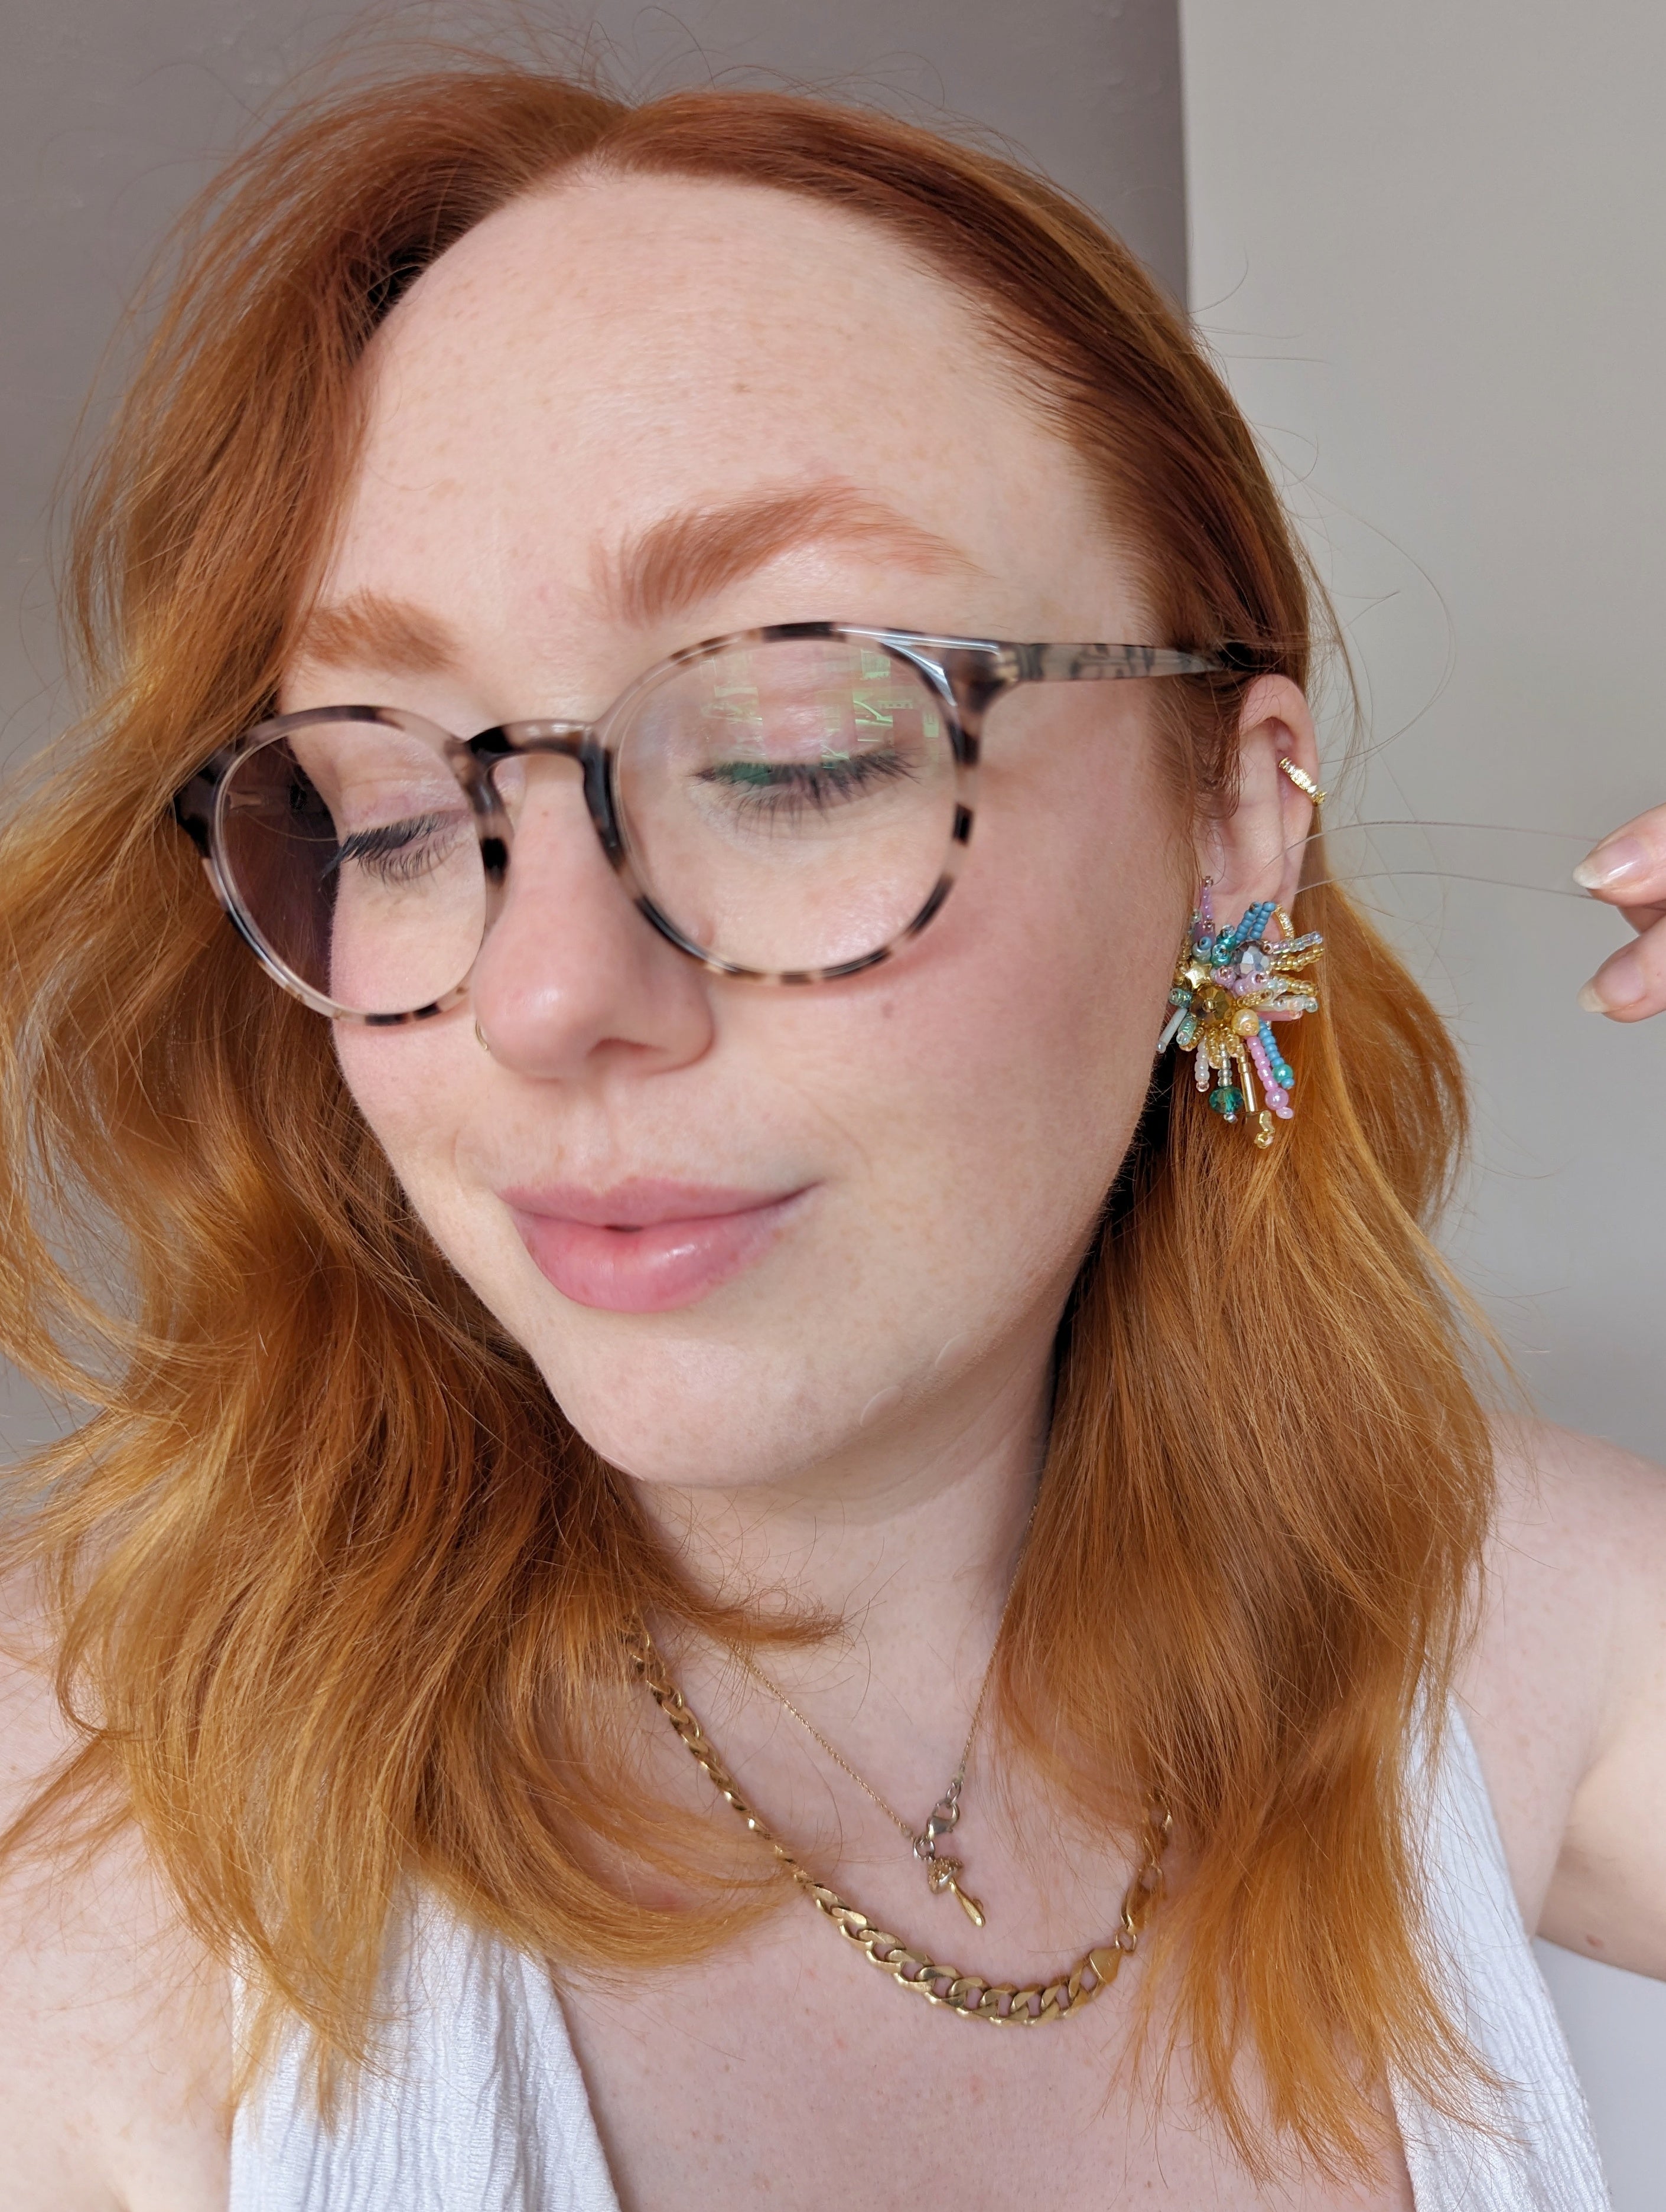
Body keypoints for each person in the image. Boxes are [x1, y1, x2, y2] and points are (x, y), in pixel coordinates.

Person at [1, 61, 1663, 2212]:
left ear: (1230, 824)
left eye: (797, 747)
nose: (540, 993)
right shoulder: (84, 1812)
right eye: (392, 808)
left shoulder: (1512, 1626)